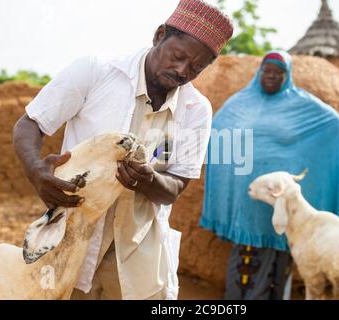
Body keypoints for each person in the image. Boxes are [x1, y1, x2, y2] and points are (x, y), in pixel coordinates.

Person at [13, 0, 233, 300]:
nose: (182, 70)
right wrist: (36, 171)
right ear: (159, 36)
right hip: (71, 240)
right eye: (178, 56)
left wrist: (148, 181)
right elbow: (29, 124)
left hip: (138, 255)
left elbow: (176, 187)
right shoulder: (96, 72)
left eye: (196, 67)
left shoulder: (196, 110)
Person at [200, 50, 339, 300]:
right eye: (266, 71)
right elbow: (219, 129)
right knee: (245, 256)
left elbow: (333, 124)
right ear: (259, 73)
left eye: (278, 73)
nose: (270, 76)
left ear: (287, 76)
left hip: (278, 202)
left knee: (277, 258)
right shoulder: (241, 102)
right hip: (248, 198)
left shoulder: (301, 105)